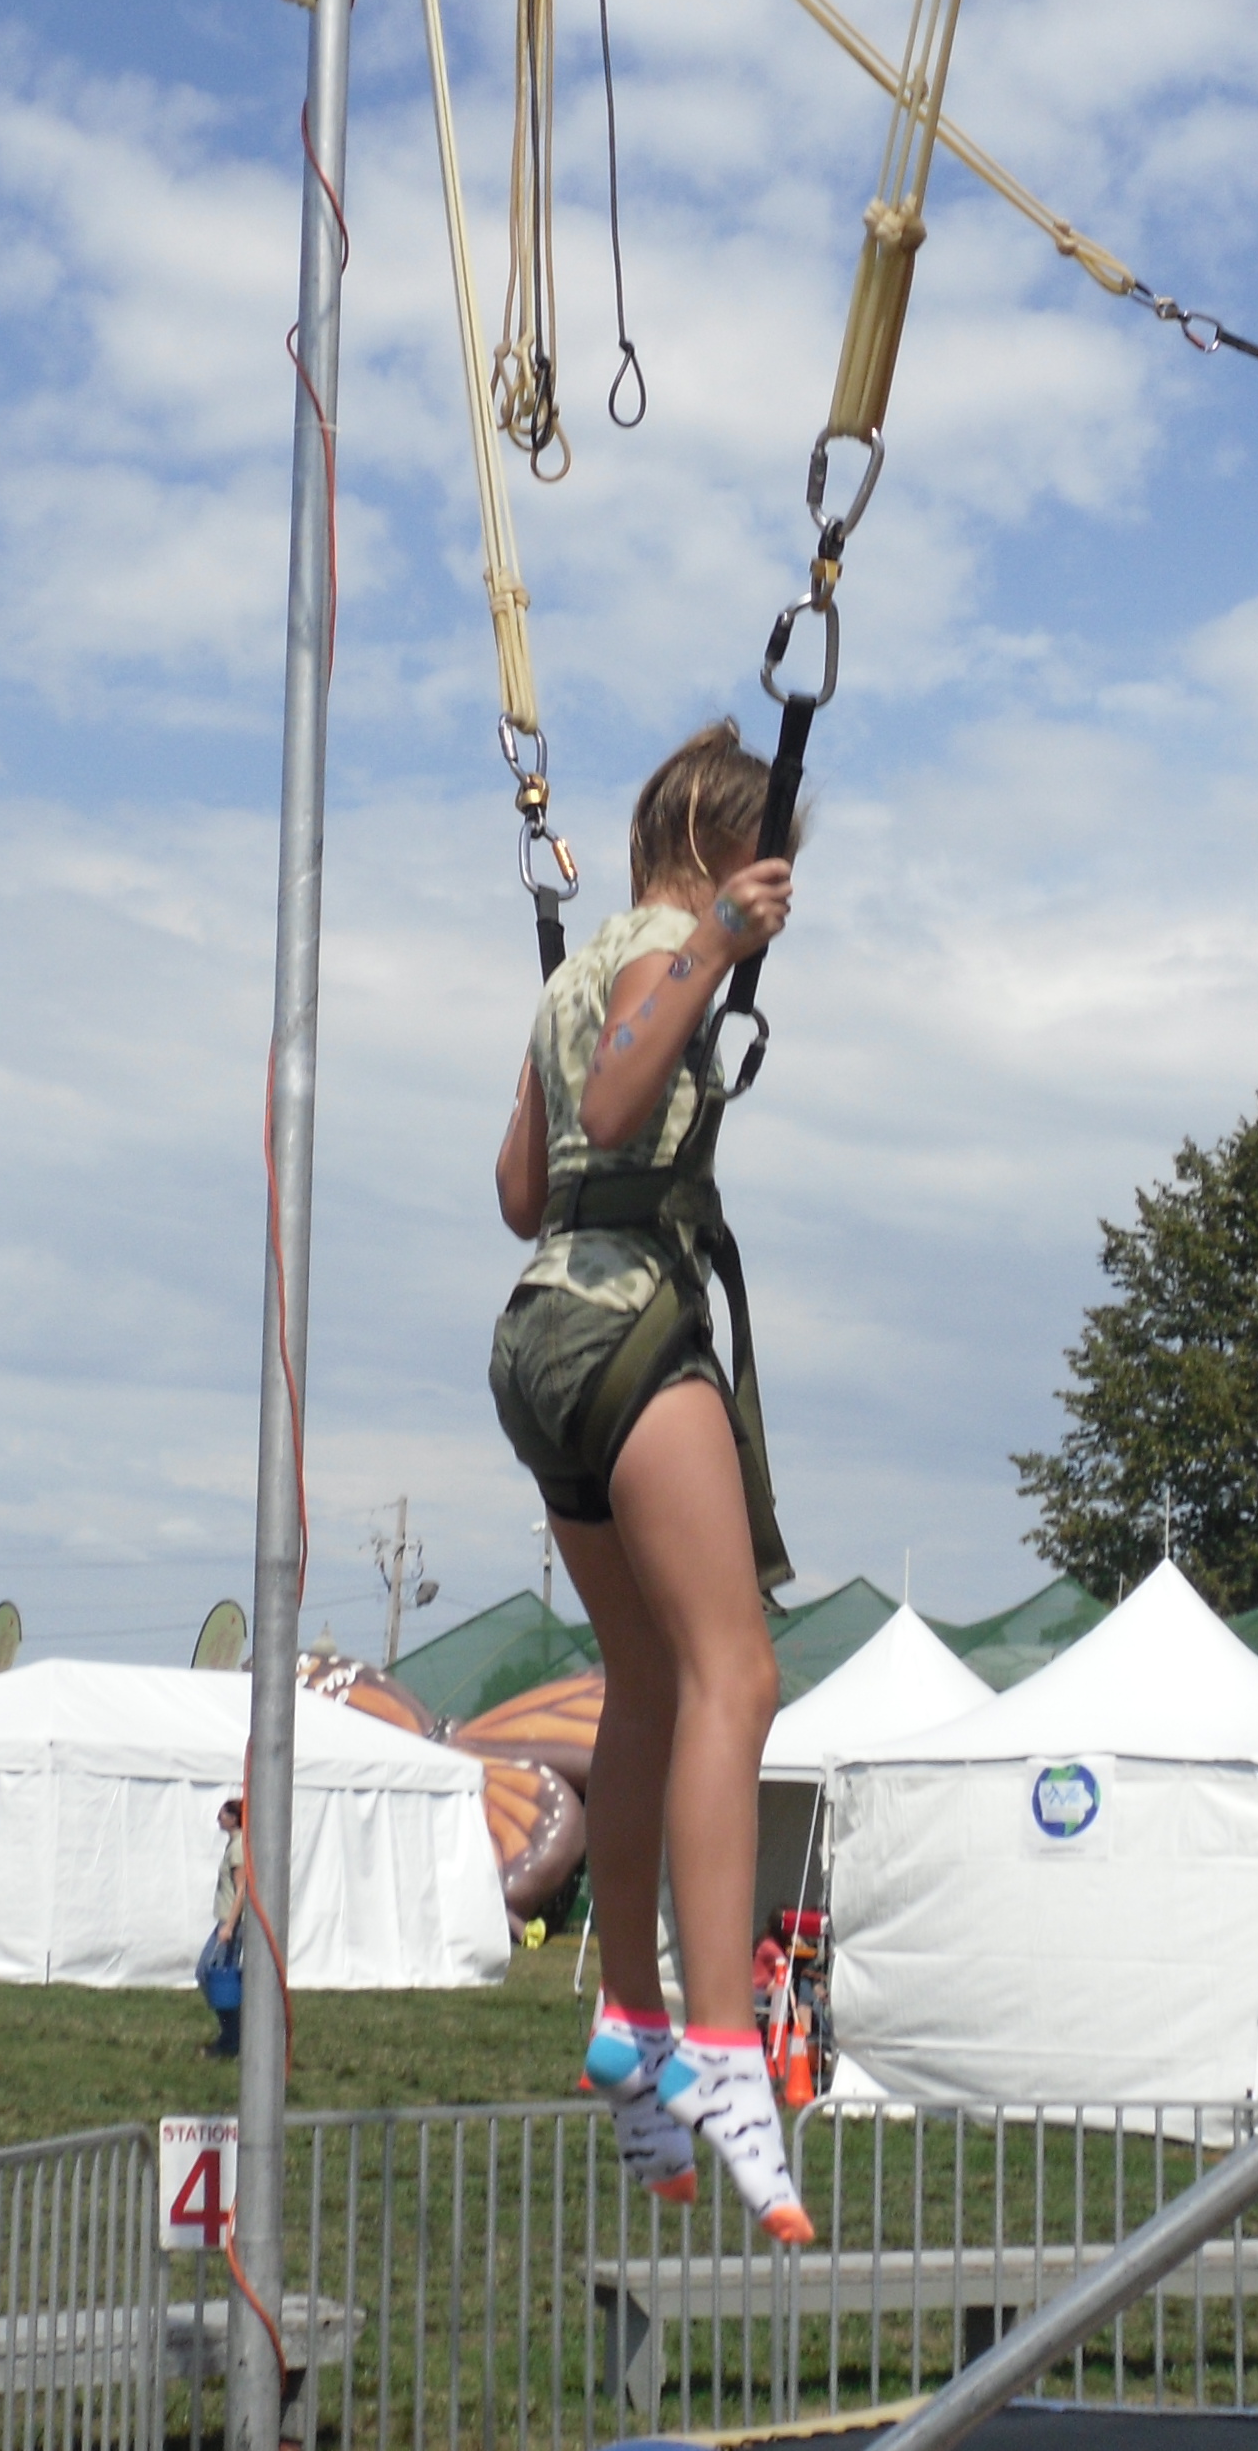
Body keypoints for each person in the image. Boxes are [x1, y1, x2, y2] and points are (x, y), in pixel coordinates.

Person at [489, 720, 812, 2244]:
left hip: (536, 1339)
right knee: (737, 1676)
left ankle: (627, 2017)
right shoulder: (668, 951)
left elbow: (519, 1188)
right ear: (725, 852)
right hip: (625, 1321)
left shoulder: (571, 978)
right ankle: (728, 2044)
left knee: (646, 1685)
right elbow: (615, 1112)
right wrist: (716, 945)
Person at [196, 1796, 247, 2060]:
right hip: (226, 1922)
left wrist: (229, 1926)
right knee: (213, 1976)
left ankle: (233, 2038)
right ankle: (231, 2036)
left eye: (223, 1814)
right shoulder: (234, 1845)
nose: (219, 1818)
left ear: (234, 1818)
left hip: (230, 1924)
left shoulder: (238, 1848)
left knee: (215, 1977)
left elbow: (241, 1890)